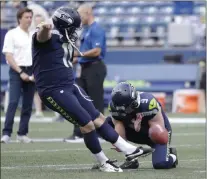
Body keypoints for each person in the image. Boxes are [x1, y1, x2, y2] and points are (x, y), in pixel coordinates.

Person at [31, 7, 153, 172]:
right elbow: (42, 37)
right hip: (53, 90)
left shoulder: (64, 37)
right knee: (87, 124)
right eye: (73, 27)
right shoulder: (48, 35)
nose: (75, 31)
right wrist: (44, 27)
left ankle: (130, 150)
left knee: (98, 118)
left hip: (69, 84)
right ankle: (103, 162)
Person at [101, 82, 178, 169]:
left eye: (126, 107)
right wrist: (119, 143)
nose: (124, 111)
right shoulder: (114, 107)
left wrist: (140, 127)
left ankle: (172, 156)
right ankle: (132, 160)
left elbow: (159, 133)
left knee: (161, 164)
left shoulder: (148, 103)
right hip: (133, 129)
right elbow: (120, 131)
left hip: (156, 133)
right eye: (121, 108)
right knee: (105, 125)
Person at [66, 3, 107, 140]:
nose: (78, 17)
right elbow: (84, 53)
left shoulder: (96, 29)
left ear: (88, 12)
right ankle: (78, 132)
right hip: (84, 68)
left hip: (94, 68)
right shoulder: (87, 30)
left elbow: (96, 51)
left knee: (96, 101)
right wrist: (74, 60)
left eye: (80, 14)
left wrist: (77, 55)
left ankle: (102, 132)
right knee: (78, 100)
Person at [1, 8, 35, 143]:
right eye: (27, 17)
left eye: (31, 17)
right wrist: (21, 72)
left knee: (27, 104)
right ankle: (6, 133)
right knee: (13, 102)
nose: (29, 20)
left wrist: (35, 72)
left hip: (32, 69)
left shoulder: (34, 35)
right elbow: (8, 56)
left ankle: (22, 133)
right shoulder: (12, 34)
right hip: (17, 70)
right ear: (19, 19)